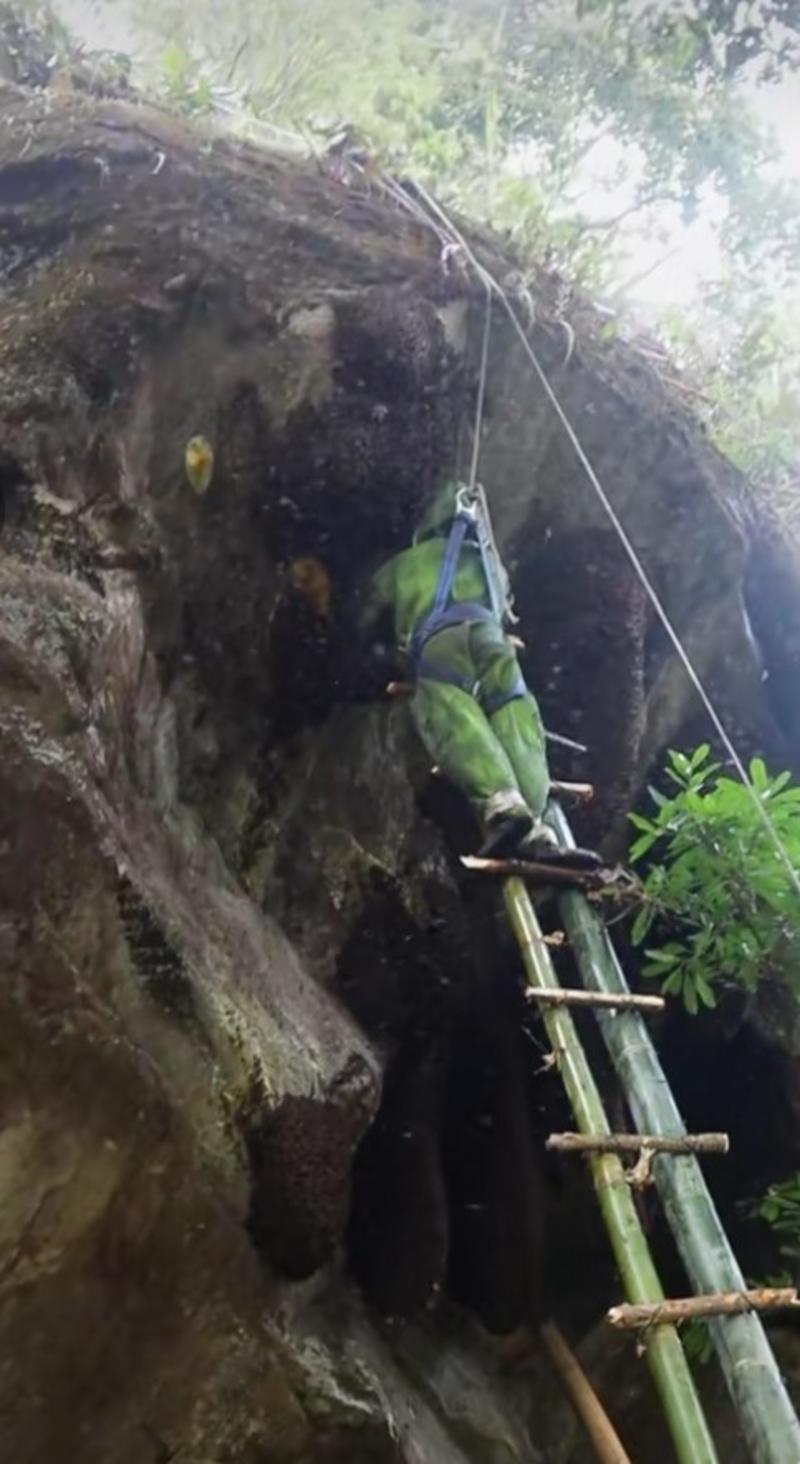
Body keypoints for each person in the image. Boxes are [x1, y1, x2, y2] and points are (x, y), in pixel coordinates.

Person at [359, 478, 600, 868]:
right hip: (491, 637)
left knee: (451, 712)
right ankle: (539, 828)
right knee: (513, 713)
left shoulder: (404, 565)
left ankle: (504, 806)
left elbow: (365, 612)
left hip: (439, 639)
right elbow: (505, 609)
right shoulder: (487, 560)